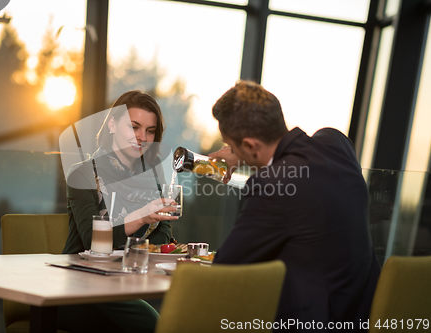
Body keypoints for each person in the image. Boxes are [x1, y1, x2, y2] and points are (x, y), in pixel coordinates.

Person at [209, 81, 380, 332]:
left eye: (232, 146)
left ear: (250, 145)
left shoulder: (270, 185)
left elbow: (226, 268)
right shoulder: (335, 143)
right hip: (363, 314)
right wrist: (241, 150)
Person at [60, 90, 177, 333]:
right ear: (112, 123)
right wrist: (141, 218)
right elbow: (92, 240)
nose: (142, 137)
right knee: (156, 326)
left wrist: (130, 256)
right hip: (81, 288)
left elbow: (163, 231)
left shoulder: (152, 174)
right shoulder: (82, 174)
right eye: (133, 127)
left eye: (150, 131)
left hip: (129, 281)